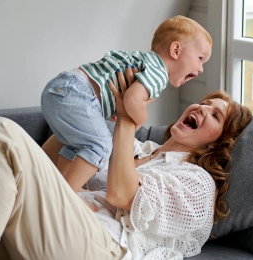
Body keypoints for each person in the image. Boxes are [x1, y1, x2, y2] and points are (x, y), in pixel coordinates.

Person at [0, 68, 252, 259]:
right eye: (204, 103)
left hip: (104, 248)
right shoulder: (137, 149)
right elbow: (47, 164)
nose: (202, 108)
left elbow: (121, 193)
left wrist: (126, 119)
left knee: (5, 133)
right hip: (70, 225)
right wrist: (89, 109)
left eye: (215, 115)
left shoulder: (197, 182)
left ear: (217, 144)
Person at [40, 15, 212, 193]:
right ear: (176, 50)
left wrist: (113, 106)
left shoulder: (144, 60)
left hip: (63, 88)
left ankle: (59, 188)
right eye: (200, 58)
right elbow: (131, 99)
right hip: (77, 94)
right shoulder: (159, 74)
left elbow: (117, 90)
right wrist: (139, 118)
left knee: (78, 145)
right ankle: (67, 197)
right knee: (100, 146)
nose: (200, 69)